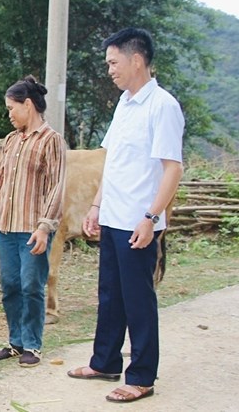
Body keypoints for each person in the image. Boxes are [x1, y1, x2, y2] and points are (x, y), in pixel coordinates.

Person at [67, 28, 185, 402]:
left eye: (113, 63)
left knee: (138, 299)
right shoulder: (125, 103)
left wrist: (151, 218)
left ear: (137, 60)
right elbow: (113, 162)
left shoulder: (162, 106)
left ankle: (142, 376)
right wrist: (97, 206)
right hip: (114, 216)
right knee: (110, 295)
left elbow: (173, 169)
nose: (110, 71)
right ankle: (104, 362)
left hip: (139, 221)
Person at [0, 75, 67, 368]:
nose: (9, 114)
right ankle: (15, 342)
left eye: (12, 108)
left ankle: (33, 345)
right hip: (5, 229)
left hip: (33, 229)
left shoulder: (52, 141)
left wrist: (44, 227)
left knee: (31, 286)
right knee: (10, 285)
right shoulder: (11, 141)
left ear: (28, 105)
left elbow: (57, 187)